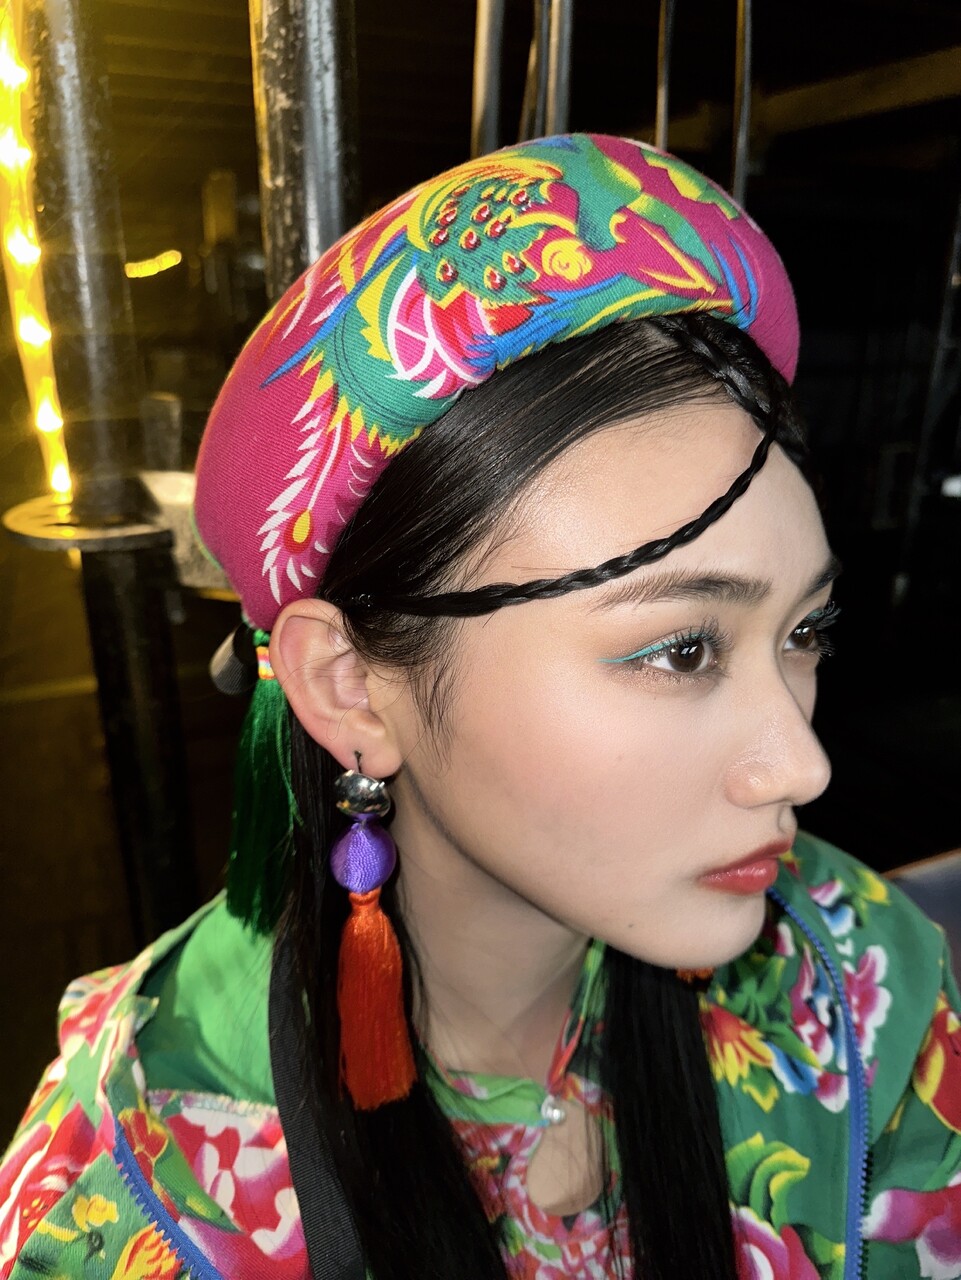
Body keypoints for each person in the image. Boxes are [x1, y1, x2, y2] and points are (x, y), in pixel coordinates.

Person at [1, 133, 959, 1280]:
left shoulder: (861, 981)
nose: (800, 764)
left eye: (803, 632)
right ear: (351, 686)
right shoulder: (136, 1200)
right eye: (681, 648)